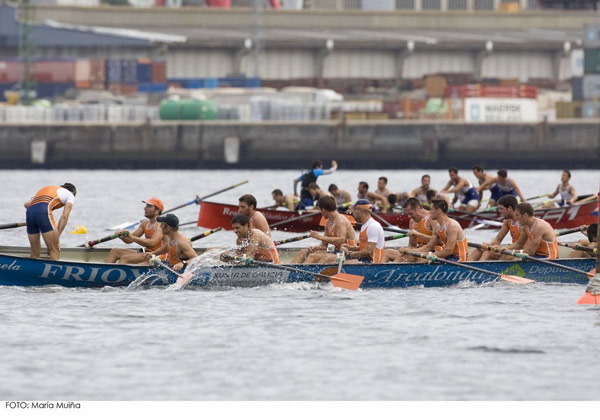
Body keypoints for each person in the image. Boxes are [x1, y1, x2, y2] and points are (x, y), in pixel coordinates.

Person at [291, 196, 357, 264]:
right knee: (303, 252)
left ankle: (302, 273)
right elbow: (324, 245)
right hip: (337, 252)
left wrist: (319, 237)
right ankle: (289, 270)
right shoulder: (328, 223)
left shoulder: (340, 220)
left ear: (324, 210)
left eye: (320, 210)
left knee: (312, 257)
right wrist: (315, 247)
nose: (320, 213)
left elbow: (341, 239)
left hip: (348, 254)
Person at [24, 183, 77, 260]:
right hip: (43, 213)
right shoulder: (70, 195)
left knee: (34, 253)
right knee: (55, 250)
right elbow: (64, 216)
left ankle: (33, 269)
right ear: (73, 193)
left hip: (30, 213)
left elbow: (27, 205)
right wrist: (57, 238)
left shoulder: (47, 188)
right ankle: (54, 270)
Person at [104, 198, 165, 264]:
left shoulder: (160, 225)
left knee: (126, 258)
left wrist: (132, 237)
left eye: (149, 206)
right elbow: (129, 240)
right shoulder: (145, 223)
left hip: (157, 257)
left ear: (157, 211)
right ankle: (103, 271)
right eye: (146, 205)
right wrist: (121, 236)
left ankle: (117, 273)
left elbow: (152, 243)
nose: (145, 208)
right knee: (115, 251)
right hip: (146, 254)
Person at [383, 198, 438, 262]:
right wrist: (406, 249)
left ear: (418, 209)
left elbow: (438, 241)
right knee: (387, 252)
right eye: (407, 214)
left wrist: (418, 234)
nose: (409, 217)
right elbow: (412, 245)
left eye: (411, 213)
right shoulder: (412, 222)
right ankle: (379, 270)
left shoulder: (432, 219)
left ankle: (392, 270)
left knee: (405, 257)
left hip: (434, 252)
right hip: (419, 251)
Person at [468, 195, 521, 261]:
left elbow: (521, 245)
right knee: (480, 250)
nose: (499, 211)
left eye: (501, 208)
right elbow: (498, 239)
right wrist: (488, 245)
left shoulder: (522, 222)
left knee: (487, 254)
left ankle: (482, 270)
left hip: (520, 252)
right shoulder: (507, 221)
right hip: (511, 249)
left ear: (509, 208)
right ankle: (464, 269)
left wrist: (504, 247)